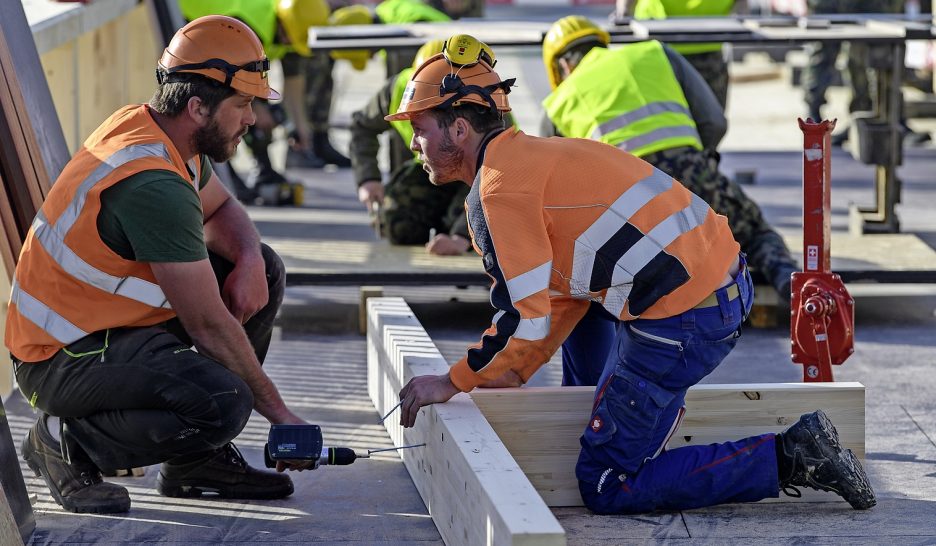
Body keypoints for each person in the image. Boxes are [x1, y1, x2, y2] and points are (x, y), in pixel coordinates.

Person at [390, 34, 876, 515]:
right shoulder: (530, 156)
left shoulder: (498, 193)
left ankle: (792, 456)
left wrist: (453, 382)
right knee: (578, 313)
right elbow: (562, 294)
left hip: (685, 320)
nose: (414, 144)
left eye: (420, 128)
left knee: (607, 483)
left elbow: (525, 320)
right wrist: (507, 376)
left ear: (458, 130)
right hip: (721, 283)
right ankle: (597, 410)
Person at [8, 16, 314, 515]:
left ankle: (196, 465)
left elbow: (222, 210)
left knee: (263, 268)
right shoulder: (152, 182)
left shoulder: (169, 135)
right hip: (60, 354)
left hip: (107, 322)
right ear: (198, 107)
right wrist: (280, 415)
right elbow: (209, 326)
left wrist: (253, 257)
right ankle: (64, 440)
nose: (252, 119)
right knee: (225, 404)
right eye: (243, 105)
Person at [540, 16, 799, 302]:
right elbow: (714, 122)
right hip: (691, 170)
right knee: (754, 230)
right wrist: (699, 165)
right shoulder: (654, 52)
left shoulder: (558, 103)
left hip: (627, 200)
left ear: (563, 66)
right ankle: (789, 283)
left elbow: (557, 187)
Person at [350, 39, 475, 254]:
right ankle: (446, 219)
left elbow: (495, 177)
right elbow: (362, 126)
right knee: (396, 221)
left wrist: (462, 237)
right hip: (433, 170)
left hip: (475, 178)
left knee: (485, 233)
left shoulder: (480, 102)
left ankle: (461, 226)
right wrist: (368, 179)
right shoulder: (400, 89)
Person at [623, 0, 744, 112]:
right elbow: (742, 9)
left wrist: (624, 13)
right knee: (709, 121)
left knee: (661, 116)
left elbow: (623, 12)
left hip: (658, 40)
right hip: (709, 41)